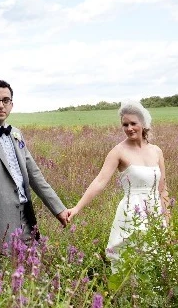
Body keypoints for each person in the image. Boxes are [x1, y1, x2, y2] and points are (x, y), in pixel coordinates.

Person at [0, 79, 68, 257]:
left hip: (26, 219)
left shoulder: (16, 134)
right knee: (0, 280)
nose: (1, 105)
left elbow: (35, 175)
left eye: (5, 100)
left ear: (11, 104)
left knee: (31, 277)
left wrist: (59, 209)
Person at [61, 100, 170, 269]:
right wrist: (77, 208)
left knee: (156, 262)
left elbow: (162, 189)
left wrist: (168, 220)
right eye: (125, 125)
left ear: (143, 124)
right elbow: (99, 181)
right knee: (131, 262)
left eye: (133, 123)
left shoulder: (156, 151)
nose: (129, 128)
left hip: (155, 213)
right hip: (131, 214)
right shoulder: (118, 151)